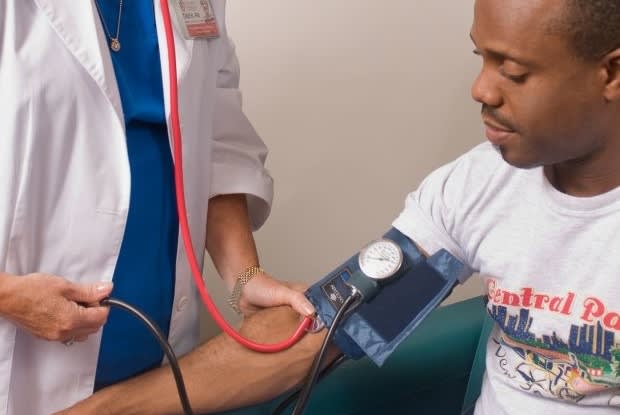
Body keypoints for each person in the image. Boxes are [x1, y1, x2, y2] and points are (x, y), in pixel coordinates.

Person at [53, 0, 620, 414]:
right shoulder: (480, 186)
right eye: (482, 58)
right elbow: (341, 322)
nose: (481, 90)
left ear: (611, 73)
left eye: (514, 72)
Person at [0, 1, 315, 414]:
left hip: (160, 365)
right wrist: (8, 295)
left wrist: (244, 276)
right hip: (21, 364)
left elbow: (216, 136)